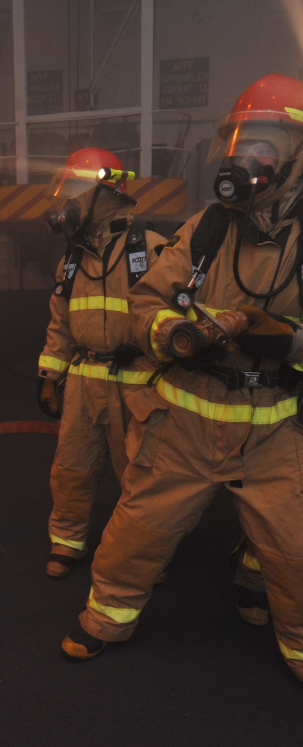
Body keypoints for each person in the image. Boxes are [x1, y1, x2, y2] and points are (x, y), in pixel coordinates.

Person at [60, 74, 303, 719]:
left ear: (299, 155)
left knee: (296, 553)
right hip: (185, 419)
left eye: (262, 144)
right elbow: (145, 304)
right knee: (139, 527)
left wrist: (287, 340)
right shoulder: (203, 229)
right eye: (237, 142)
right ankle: (106, 618)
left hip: (275, 430)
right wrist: (169, 333)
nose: (243, 157)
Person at [37, 149, 166, 577]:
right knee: (71, 466)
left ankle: (144, 556)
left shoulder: (153, 250)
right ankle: (67, 539)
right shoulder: (72, 260)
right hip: (82, 382)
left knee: (141, 474)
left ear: (108, 193)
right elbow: (60, 323)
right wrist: (49, 377)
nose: (66, 203)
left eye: (76, 191)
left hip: (139, 382)